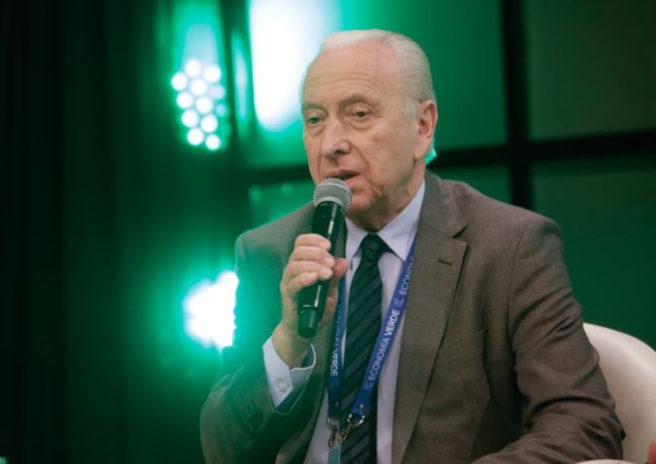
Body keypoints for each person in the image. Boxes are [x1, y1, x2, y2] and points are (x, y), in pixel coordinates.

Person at [200, 29, 623, 463]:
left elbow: (585, 424)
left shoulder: (509, 247)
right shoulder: (270, 251)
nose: (331, 144)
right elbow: (222, 449)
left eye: (359, 114)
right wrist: (288, 341)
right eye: (314, 120)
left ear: (422, 127)